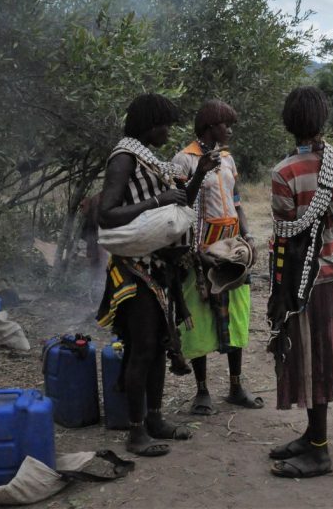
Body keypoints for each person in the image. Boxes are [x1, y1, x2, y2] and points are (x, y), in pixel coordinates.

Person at [96, 93, 218, 457]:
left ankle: (154, 418)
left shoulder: (148, 160)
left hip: (158, 268)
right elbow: (106, 215)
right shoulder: (123, 159)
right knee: (142, 348)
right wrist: (155, 202)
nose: (169, 131)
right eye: (165, 124)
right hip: (135, 271)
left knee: (157, 347)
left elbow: (180, 201)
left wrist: (199, 175)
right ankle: (136, 432)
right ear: (150, 124)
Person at [266, 86, 333, 478]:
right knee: (321, 358)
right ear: (322, 119)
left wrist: (281, 293)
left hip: (303, 284)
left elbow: (285, 239)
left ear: (289, 123)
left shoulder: (283, 172)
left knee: (310, 361)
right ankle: (311, 435)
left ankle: (319, 451)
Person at [172, 100, 263, 416]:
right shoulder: (184, 160)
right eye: (226, 124)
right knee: (199, 316)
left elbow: (236, 201)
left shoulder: (227, 159)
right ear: (211, 126)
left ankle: (236, 386)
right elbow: (180, 205)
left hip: (231, 243)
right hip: (200, 245)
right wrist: (200, 173)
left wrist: (248, 235)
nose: (230, 130)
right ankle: (202, 391)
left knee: (236, 313)